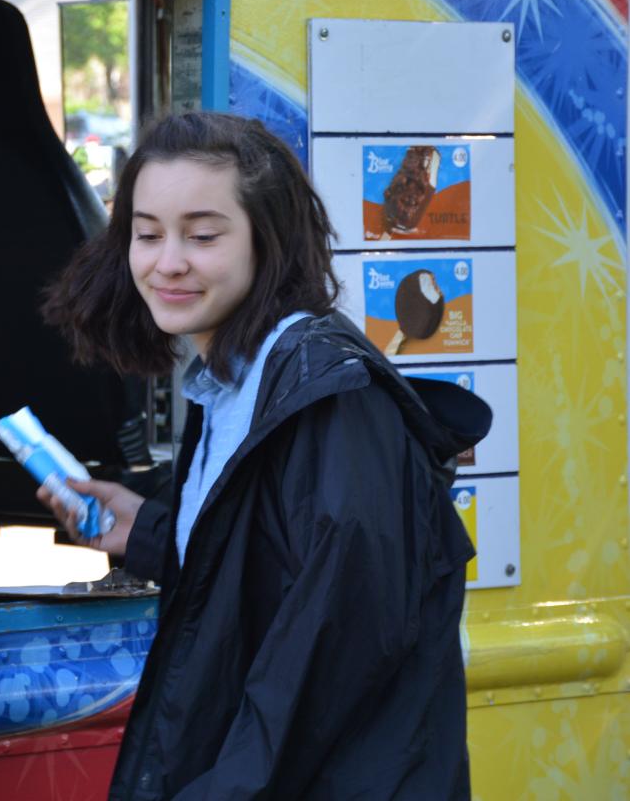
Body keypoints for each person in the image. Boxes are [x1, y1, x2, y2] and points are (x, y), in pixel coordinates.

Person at [38, 112, 488, 800]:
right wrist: (154, 532)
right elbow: (270, 566)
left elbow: (323, 663)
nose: (168, 262)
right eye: (147, 233)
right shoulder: (236, 381)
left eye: (203, 235)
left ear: (265, 239)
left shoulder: (326, 400)